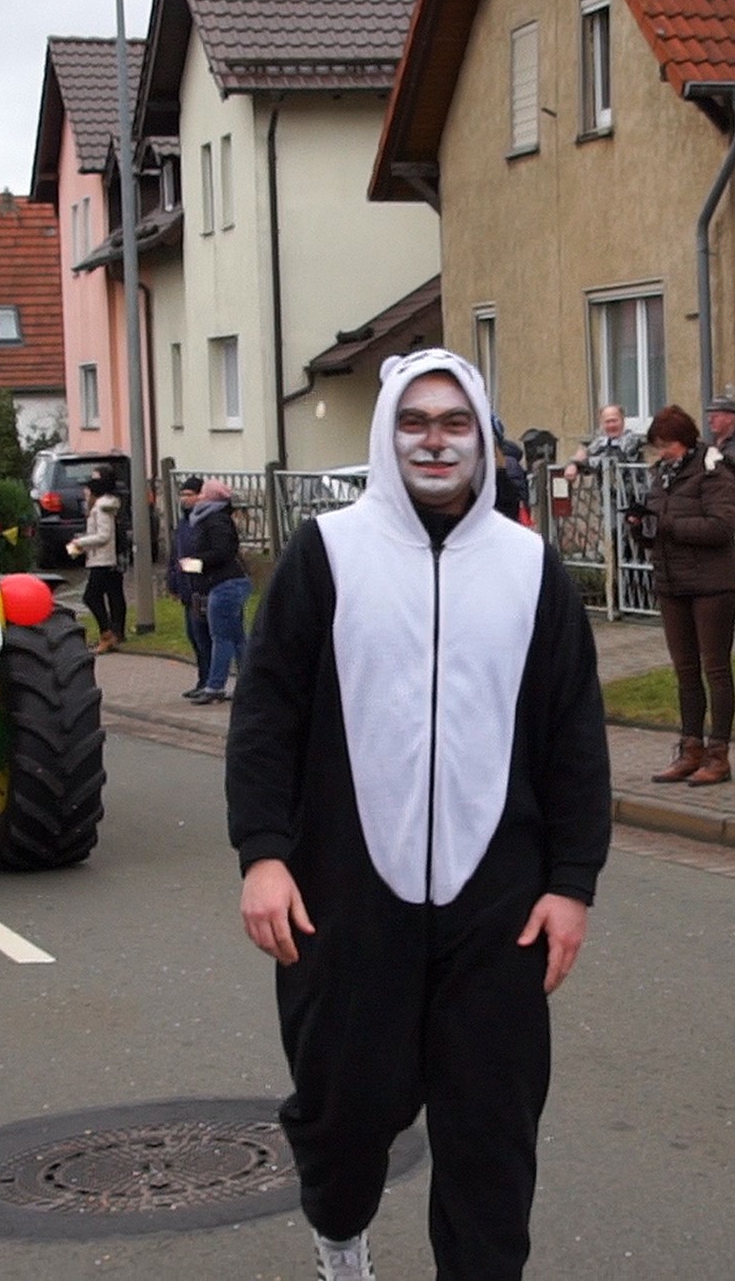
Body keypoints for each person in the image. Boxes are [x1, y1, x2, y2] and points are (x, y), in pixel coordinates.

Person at [228, 348, 611, 1281]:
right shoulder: (329, 554)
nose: (434, 443)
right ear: (386, 433)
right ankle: (340, 1229)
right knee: (345, 1110)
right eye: (414, 422)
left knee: (492, 1125)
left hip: (499, 904)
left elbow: (573, 737)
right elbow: (268, 712)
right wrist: (264, 854)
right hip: (346, 895)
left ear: (482, 441)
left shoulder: (530, 570)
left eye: (454, 425)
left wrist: (571, 885)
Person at [643, 404, 735, 787]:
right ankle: (690, 748)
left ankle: (719, 754)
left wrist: (666, 524)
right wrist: (642, 526)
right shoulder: (662, 475)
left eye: (665, 445)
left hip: (712, 583)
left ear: (683, 441)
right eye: (657, 447)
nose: (661, 453)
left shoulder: (713, 470)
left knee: (715, 668)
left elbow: (722, 526)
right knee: (685, 670)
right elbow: (660, 522)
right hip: (672, 581)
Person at [186, 480, 250, 704]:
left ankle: (215, 686)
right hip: (227, 581)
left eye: (203, 494)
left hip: (225, 584)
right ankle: (249, 683)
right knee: (237, 637)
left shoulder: (215, 520)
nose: (199, 497)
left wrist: (196, 562)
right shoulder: (214, 519)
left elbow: (222, 551)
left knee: (222, 637)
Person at [67, 468, 127, 654]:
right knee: (111, 595)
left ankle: (107, 633)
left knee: (91, 597)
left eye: (87, 490)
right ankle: (112, 634)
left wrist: (79, 542)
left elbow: (103, 535)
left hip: (103, 560)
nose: (84, 493)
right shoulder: (103, 506)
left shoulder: (101, 508)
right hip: (102, 559)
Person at [168, 476, 214, 692]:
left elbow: (209, 555)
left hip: (202, 587)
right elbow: (175, 554)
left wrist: (193, 568)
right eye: (183, 495)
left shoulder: (205, 522)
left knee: (205, 637)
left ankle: (210, 681)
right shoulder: (184, 523)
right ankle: (202, 679)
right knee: (194, 636)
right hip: (187, 588)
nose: (184, 499)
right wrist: (173, 582)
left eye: (189, 495)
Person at [561, 403, 645, 480]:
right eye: (607, 422)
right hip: (608, 494)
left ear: (622, 420)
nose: (611, 425)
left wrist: (579, 463)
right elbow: (586, 451)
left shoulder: (632, 440)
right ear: (602, 424)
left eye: (614, 421)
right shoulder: (601, 441)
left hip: (635, 494)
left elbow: (610, 460)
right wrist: (573, 464)